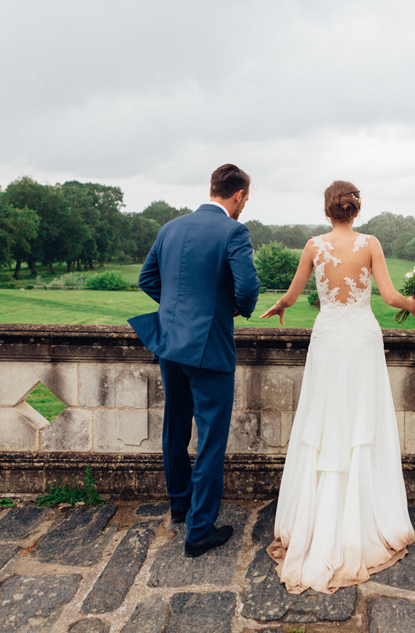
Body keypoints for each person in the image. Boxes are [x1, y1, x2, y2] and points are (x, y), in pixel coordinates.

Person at [259, 180, 415, 594]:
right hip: (362, 337)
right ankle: (363, 519)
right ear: (356, 210)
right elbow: (388, 295)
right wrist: (414, 303)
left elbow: (293, 296)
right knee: (362, 419)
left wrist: (279, 306)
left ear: (327, 210)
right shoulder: (371, 243)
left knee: (325, 416)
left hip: (329, 337)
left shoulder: (314, 246)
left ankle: (317, 521)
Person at [129, 163, 261, 558]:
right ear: (238, 196)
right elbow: (248, 288)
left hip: (169, 342)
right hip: (208, 347)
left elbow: (147, 279)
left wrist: (176, 309)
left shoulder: (170, 227)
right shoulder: (234, 231)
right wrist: (230, 310)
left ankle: (179, 505)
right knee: (211, 438)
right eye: (246, 199)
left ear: (212, 189)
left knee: (175, 426)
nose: (244, 207)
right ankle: (199, 530)